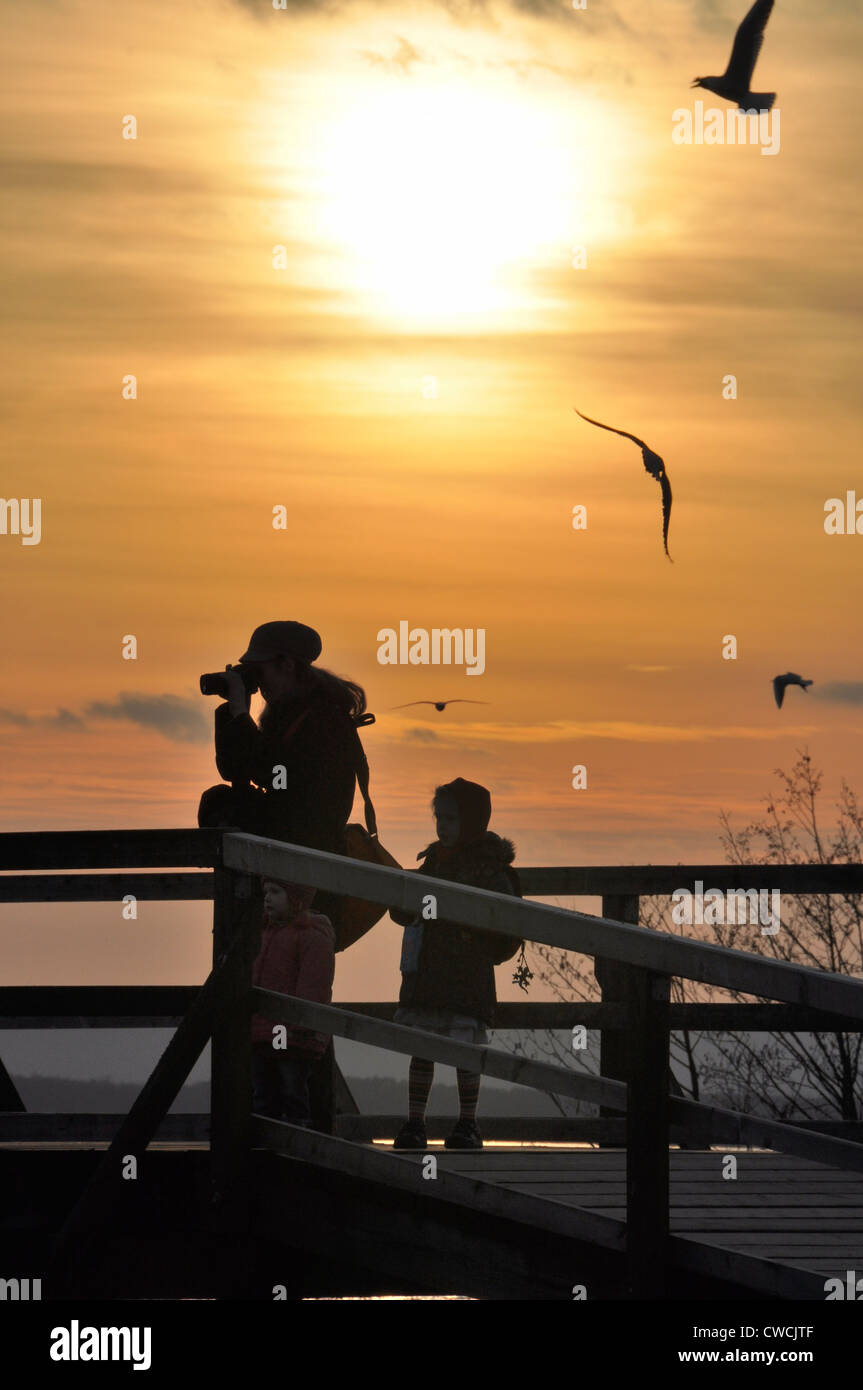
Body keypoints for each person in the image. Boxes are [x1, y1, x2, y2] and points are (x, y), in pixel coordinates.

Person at [198, 620, 367, 938]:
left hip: (303, 866)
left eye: (259, 672)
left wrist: (239, 713)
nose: (258, 684)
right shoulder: (291, 713)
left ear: (287, 665)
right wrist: (236, 712)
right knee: (219, 802)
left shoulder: (322, 719)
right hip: (283, 864)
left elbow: (275, 774)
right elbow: (235, 768)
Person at [391, 778, 522, 1152]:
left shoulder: (489, 868)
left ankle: (468, 1123)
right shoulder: (434, 861)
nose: (442, 825)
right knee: (423, 1045)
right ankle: (416, 1123)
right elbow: (407, 908)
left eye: (450, 818)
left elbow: (504, 918)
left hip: (466, 972)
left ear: (472, 821)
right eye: (439, 817)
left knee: (465, 1049)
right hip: (429, 968)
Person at [251, 878, 336, 1127]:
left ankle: (298, 1147)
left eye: (276, 892)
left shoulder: (312, 937)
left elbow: (314, 986)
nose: (267, 898)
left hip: (294, 1034)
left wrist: (302, 1025)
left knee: (293, 1093)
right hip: (263, 1030)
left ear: (296, 900)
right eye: (266, 892)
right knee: (263, 1094)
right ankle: (265, 1150)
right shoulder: (263, 932)